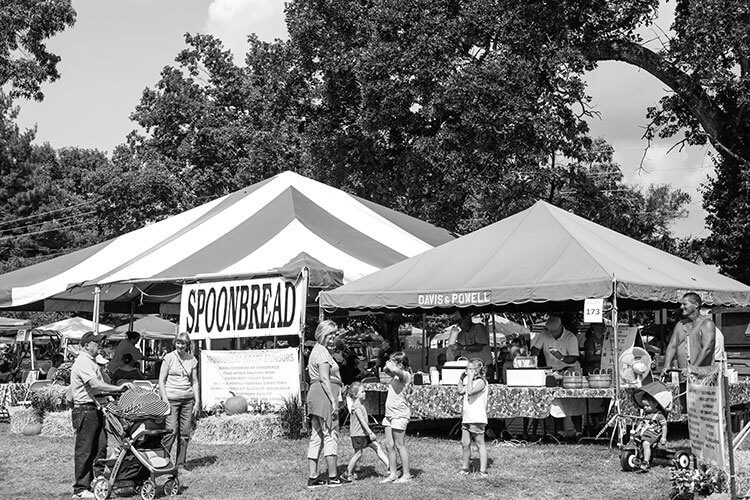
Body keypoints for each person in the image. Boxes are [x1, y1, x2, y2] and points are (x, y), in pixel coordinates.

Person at [69, 331, 131, 499]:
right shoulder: (83, 361)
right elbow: (94, 384)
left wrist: (110, 398)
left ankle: (96, 483)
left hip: (94, 409)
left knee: (100, 448)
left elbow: (98, 388)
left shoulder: (91, 362)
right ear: (86, 345)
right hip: (85, 410)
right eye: (96, 343)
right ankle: (80, 490)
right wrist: (117, 389)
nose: (100, 345)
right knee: (85, 451)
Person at [306, 320, 349, 489]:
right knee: (330, 434)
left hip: (316, 394)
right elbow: (324, 378)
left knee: (317, 435)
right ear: (322, 334)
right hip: (324, 395)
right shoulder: (323, 353)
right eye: (329, 334)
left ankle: (313, 476)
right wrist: (333, 400)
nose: (332, 337)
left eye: (334, 334)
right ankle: (333, 476)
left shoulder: (317, 350)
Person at [158, 332, 199, 471]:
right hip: (171, 399)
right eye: (178, 343)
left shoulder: (192, 359)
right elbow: (161, 381)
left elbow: (194, 381)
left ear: (188, 345)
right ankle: (162, 460)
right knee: (171, 430)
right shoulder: (168, 358)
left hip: (187, 399)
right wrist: (165, 400)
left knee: (185, 433)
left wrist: (197, 400)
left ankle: (180, 464)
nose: (180, 346)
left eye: (183, 343)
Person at [663, 292, 719, 375]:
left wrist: (693, 368)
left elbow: (707, 349)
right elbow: (672, 346)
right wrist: (667, 365)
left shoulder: (706, 324)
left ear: (696, 305)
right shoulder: (680, 325)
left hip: (702, 377)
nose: (681, 307)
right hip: (683, 375)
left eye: (684, 304)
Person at [344, 381, 389, 481]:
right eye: (362, 392)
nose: (365, 393)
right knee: (358, 453)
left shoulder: (361, 405)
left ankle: (390, 466)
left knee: (377, 447)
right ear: (355, 395)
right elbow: (362, 422)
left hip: (363, 433)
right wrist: (370, 433)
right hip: (358, 434)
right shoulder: (356, 407)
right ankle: (348, 473)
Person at [380, 351, 413, 484]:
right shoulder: (394, 375)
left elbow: (394, 370)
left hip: (399, 415)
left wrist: (392, 365)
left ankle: (406, 474)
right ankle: (393, 473)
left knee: (400, 445)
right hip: (389, 415)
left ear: (400, 364)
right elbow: (385, 370)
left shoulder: (405, 375)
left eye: (393, 361)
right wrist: (389, 364)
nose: (389, 363)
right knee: (389, 445)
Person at [457, 358, 489, 476]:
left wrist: (469, 378)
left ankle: (483, 470)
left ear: (476, 370)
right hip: (467, 416)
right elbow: (461, 390)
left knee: (480, 443)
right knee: (465, 443)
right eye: (467, 368)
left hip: (477, 417)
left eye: (470, 369)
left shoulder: (481, 382)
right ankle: (465, 468)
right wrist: (461, 379)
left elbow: (470, 392)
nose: (467, 371)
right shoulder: (470, 381)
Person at [632, 392, 668, 473]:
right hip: (644, 432)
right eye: (644, 406)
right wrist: (636, 430)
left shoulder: (659, 416)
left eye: (647, 405)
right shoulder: (646, 414)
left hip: (653, 433)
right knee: (635, 440)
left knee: (646, 444)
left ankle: (646, 462)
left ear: (655, 404)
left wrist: (663, 437)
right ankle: (636, 455)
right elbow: (641, 423)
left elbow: (664, 426)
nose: (645, 408)